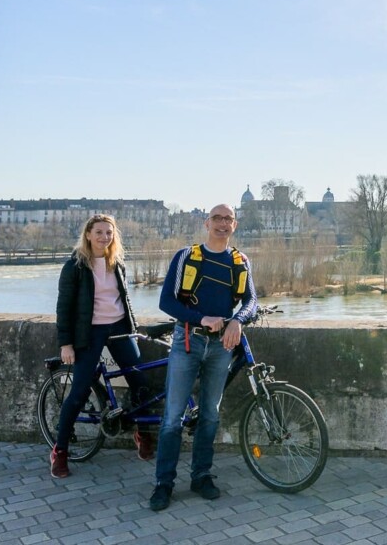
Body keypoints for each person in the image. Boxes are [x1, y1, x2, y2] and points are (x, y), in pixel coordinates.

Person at [149, 204, 258, 511]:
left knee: (210, 414)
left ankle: (201, 476)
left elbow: (251, 301)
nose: (222, 224)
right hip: (188, 341)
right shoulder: (186, 256)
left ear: (234, 225)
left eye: (228, 219)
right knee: (172, 417)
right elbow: (166, 301)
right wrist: (201, 319)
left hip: (222, 346)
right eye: (217, 218)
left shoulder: (241, 261)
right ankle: (164, 484)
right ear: (207, 223)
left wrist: (238, 321)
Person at [51, 213, 153, 478]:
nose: (104, 237)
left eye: (109, 233)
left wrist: (133, 328)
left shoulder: (117, 263)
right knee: (80, 390)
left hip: (119, 327)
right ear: (88, 234)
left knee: (140, 381)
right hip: (89, 332)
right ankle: (60, 451)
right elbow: (64, 309)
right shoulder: (74, 266)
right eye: (99, 232)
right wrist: (66, 344)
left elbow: (124, 300)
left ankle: (141, 433)